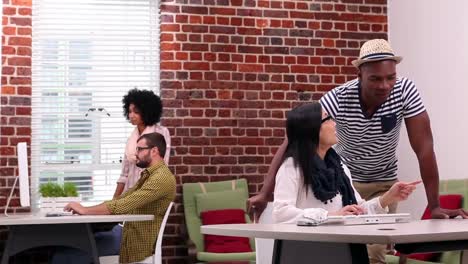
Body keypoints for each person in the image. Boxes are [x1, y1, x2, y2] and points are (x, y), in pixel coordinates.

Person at [248, 39, 468, 263]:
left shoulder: (405, 91)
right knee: (348, 252)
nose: (384, 85)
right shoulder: (339, 99)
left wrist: (435, 206)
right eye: (375, 79)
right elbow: (294, 139)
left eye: (390, 77)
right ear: (360, 74)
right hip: (348, 182)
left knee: (373, 256)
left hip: (378, 182)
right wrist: (266, 193)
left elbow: (425, 148)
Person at [273, 102, 418, 224]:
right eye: (327, 119)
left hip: (342, 247)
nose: (334, 123)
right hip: (309, 250)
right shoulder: (292, 167)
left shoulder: (339, 167)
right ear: (312, 128)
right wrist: (330, 216)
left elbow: (357, 210)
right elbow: (281, 213)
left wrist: (388, 197)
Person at [52, 132, 176, 264]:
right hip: (127, 231)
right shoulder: (150, 175)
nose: (136, 154)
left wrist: (85, 210)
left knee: (65, 255)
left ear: (154, 151)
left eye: (139, 149)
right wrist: (86, 209)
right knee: (76, 242)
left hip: (133, 240)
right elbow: (120, 200)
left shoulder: (160, 178)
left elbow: (123, 205)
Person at [113, 88, 171, 199]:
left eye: (136, 112)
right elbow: (124, 175)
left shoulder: (162, 132)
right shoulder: (131, 140)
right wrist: (114, 199)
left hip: (150, 193)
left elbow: (162, 166)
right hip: (129, 193)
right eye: (129, 111)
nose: (131, 115)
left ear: (147, 111)